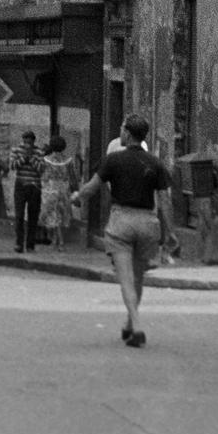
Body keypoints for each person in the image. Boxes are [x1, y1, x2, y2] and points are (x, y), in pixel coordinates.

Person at [72, 114, 175, 348]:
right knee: (138, 277)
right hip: (148, 223)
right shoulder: (155, 163)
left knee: (126, 279)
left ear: (127, 133)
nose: (120, 131)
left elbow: (91, 188)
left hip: (121, 222)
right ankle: (129, 324)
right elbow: (165, 201)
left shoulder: (113, 160)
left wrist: (77, 197)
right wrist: (171, 232)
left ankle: (137, 326)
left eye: (121, 128)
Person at [38, 135, 80, 252]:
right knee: (61, 215)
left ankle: (59, 241)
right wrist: (76, 191)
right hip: (64, 190)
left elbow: (42, 175)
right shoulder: (68, 160)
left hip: (50, 189)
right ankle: (57, 240)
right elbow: (73, 178)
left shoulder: (46, 160)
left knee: (53, 215)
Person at [9, 130, 44, 253]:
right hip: (20, 184)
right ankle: (19, 243)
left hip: (34, 186)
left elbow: (41, 169)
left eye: (29, 142)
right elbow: (12, 166)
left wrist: (32, 158)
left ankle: (30, 245)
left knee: (33, 216)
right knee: (19, 216)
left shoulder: (39, 152)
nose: (27, 145)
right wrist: (24, 158)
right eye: (25, 142)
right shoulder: (16, 150)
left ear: (33, 142)